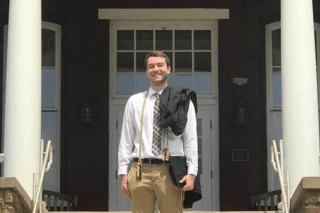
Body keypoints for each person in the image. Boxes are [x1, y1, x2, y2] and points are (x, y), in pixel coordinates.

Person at [118, 51, 198, 213]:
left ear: (169, 69)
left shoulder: (181, 101)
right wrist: (122, 172)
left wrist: (192, 171)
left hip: (169, 171)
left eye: (160, 65)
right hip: (140, 169)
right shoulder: (135, 101)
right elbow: (126, 139)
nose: (156, 69)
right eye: (151, 66)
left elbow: (191, 139)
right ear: (146, 72)